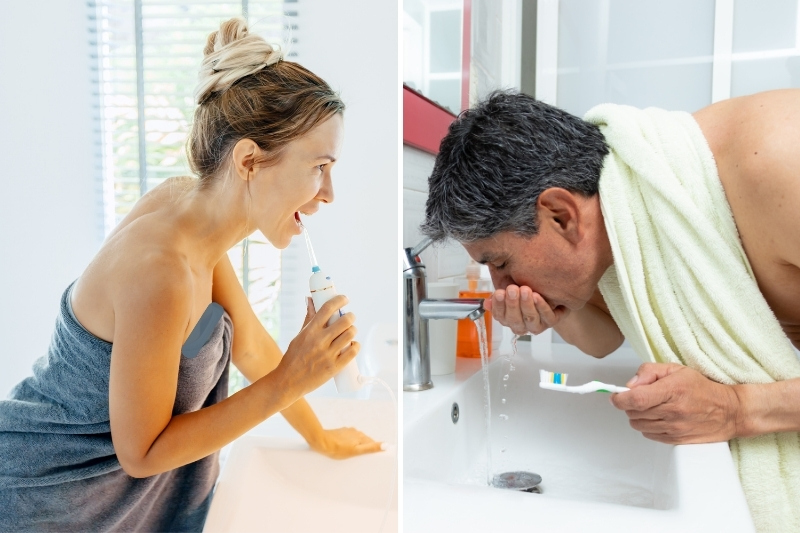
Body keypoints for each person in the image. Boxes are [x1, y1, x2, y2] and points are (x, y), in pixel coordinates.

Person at [0, 17, 381, 532]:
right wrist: (293, 378)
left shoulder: (192, 217)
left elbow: (249, 345)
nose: (329, 192)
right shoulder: (163, 271)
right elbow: (143, 452)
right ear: (249, 160)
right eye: (319, 167)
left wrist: (320, 435)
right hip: (43, 499)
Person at [420, 89, 800, 529]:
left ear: (561, 215)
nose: (502, 287)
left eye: (501, 264)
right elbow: (606, 339)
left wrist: (737, 408)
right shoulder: (617, 207)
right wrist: (555, 311)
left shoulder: (777, 162)